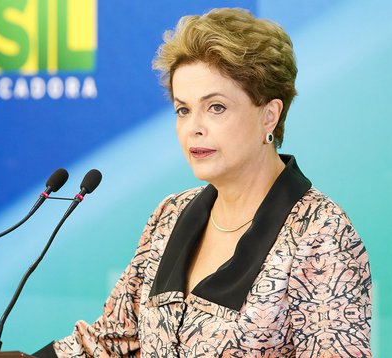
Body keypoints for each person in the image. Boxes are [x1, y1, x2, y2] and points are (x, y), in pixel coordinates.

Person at [35, 7, 372, 357]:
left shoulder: (321, 234)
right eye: (183, 110)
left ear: (269, 115)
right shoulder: (171, 215)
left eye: (216, 108)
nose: (194, 127)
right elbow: (109, 345)